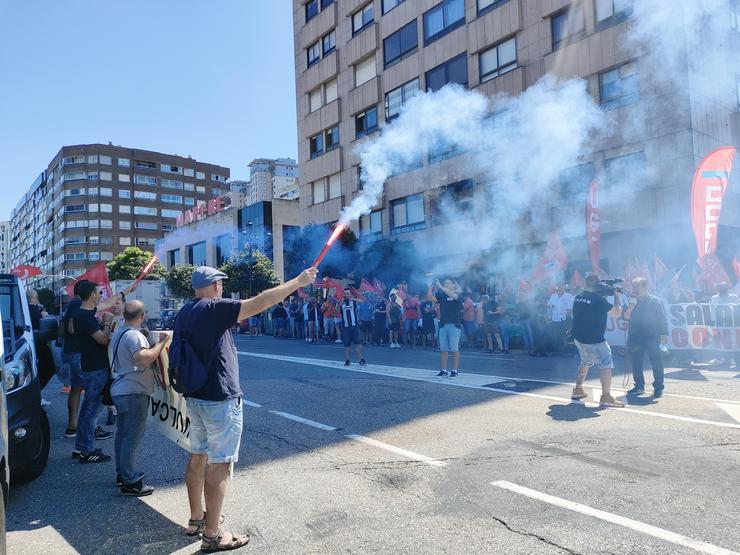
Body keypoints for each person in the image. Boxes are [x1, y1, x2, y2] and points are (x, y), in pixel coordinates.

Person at [178, 265, 316, 551]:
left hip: (195, 396)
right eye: (222, 283)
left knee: (197, 457)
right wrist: (298, 282)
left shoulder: (185, 311)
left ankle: (196, 519)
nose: (223, 288)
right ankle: (213, 534)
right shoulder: (214, 309)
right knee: (220, 465)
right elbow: (261, 302)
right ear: (215, 285)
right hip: (219, 397)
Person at [109, 300, 169, 495]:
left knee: (123, 434)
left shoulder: (120, 332)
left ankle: (122, 473)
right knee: (132, 438)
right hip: (133, 391)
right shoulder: (134, 336)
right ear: (142, 316)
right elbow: (145, 357)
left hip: (121, 389)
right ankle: (130, 480)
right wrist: (161, 342)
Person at [73, 281, 117, 463]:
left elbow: (105, 305)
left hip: (91, 366)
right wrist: (107, 323)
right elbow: (102, 340)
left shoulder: (84, 313)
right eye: (98, 292)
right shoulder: (85, 316)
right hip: (95, 368)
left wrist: (123, 294)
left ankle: (81, 446)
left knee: (87, 409)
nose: (100, 295)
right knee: (92, 410)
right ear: (91, 294)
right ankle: (87, 450)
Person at [570, 275, 626, 408]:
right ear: (597, 285)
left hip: (579, 337)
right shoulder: (598, 300)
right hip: (594, 339)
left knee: (586, 362)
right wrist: (617, 297)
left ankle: (578, 389)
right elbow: (617, 313)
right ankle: (606, 396)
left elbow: (594, 307)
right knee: (606, 364)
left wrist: (604, 295)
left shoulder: (578, 297)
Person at [622, 277, 669, 397]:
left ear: (646, 286)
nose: (635, 289)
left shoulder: (655, 301)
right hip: (635, 336)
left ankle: (658, 387)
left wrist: (664, 335)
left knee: (656, 362)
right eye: (634, 286)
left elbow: (662, 318)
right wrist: (631, 306)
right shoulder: (631, 301)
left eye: (637, 286)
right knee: (636, 363)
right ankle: (639, 386)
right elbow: (625, 317)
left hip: (652, 336)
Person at [433, 279, 463, 377]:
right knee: (443, 349)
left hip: (454, 325)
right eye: (444, 283)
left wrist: (441, 286)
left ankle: (454, 370)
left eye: (447, 283)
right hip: (443, 325)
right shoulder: (442, 295)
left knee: (454, 349)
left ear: (453, 285)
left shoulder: (458, 294)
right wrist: (430, 286)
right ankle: (444, 370)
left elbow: (454, 296)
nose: (445, 285)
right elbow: (430, 298)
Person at [710, 282, 739, 368]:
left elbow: (738, 309)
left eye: (724, 287)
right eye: (721, 287)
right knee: (724, 343)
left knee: (735, 342)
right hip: (720, 324)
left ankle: (738, 361)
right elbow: (711, 310)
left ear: (727, 288)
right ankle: (726, 361)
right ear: (718, 288)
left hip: (732, 324)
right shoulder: (714, 298)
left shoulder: (733, 297)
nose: (723, 288)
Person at [338, 288, 367, 366]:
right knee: (347, 344)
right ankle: (348, 360)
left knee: (359, 343)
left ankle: (361, 358)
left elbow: (363, 301)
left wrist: (353, 298)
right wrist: (340, 303)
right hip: (345, 327)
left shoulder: (354, 301)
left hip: (354, 326)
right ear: (343, 294)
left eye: (348, 293)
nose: (346, 295)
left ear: (350, 294)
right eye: (345, 293)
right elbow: (336, 308)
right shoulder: (342, 302)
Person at [548, 284, 574, 354]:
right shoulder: (553, 296)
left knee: (564, 335)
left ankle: (564, 350)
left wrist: (568, 313)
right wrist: (551, 306)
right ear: (557, 288)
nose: (560, 289)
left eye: (562, 288)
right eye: (559, 288)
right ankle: (557, 350)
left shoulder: (569, 296)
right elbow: (548, 305)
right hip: (555, 319)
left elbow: (570, 308)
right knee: (555, 334)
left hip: (564, 319)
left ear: (564, 288)